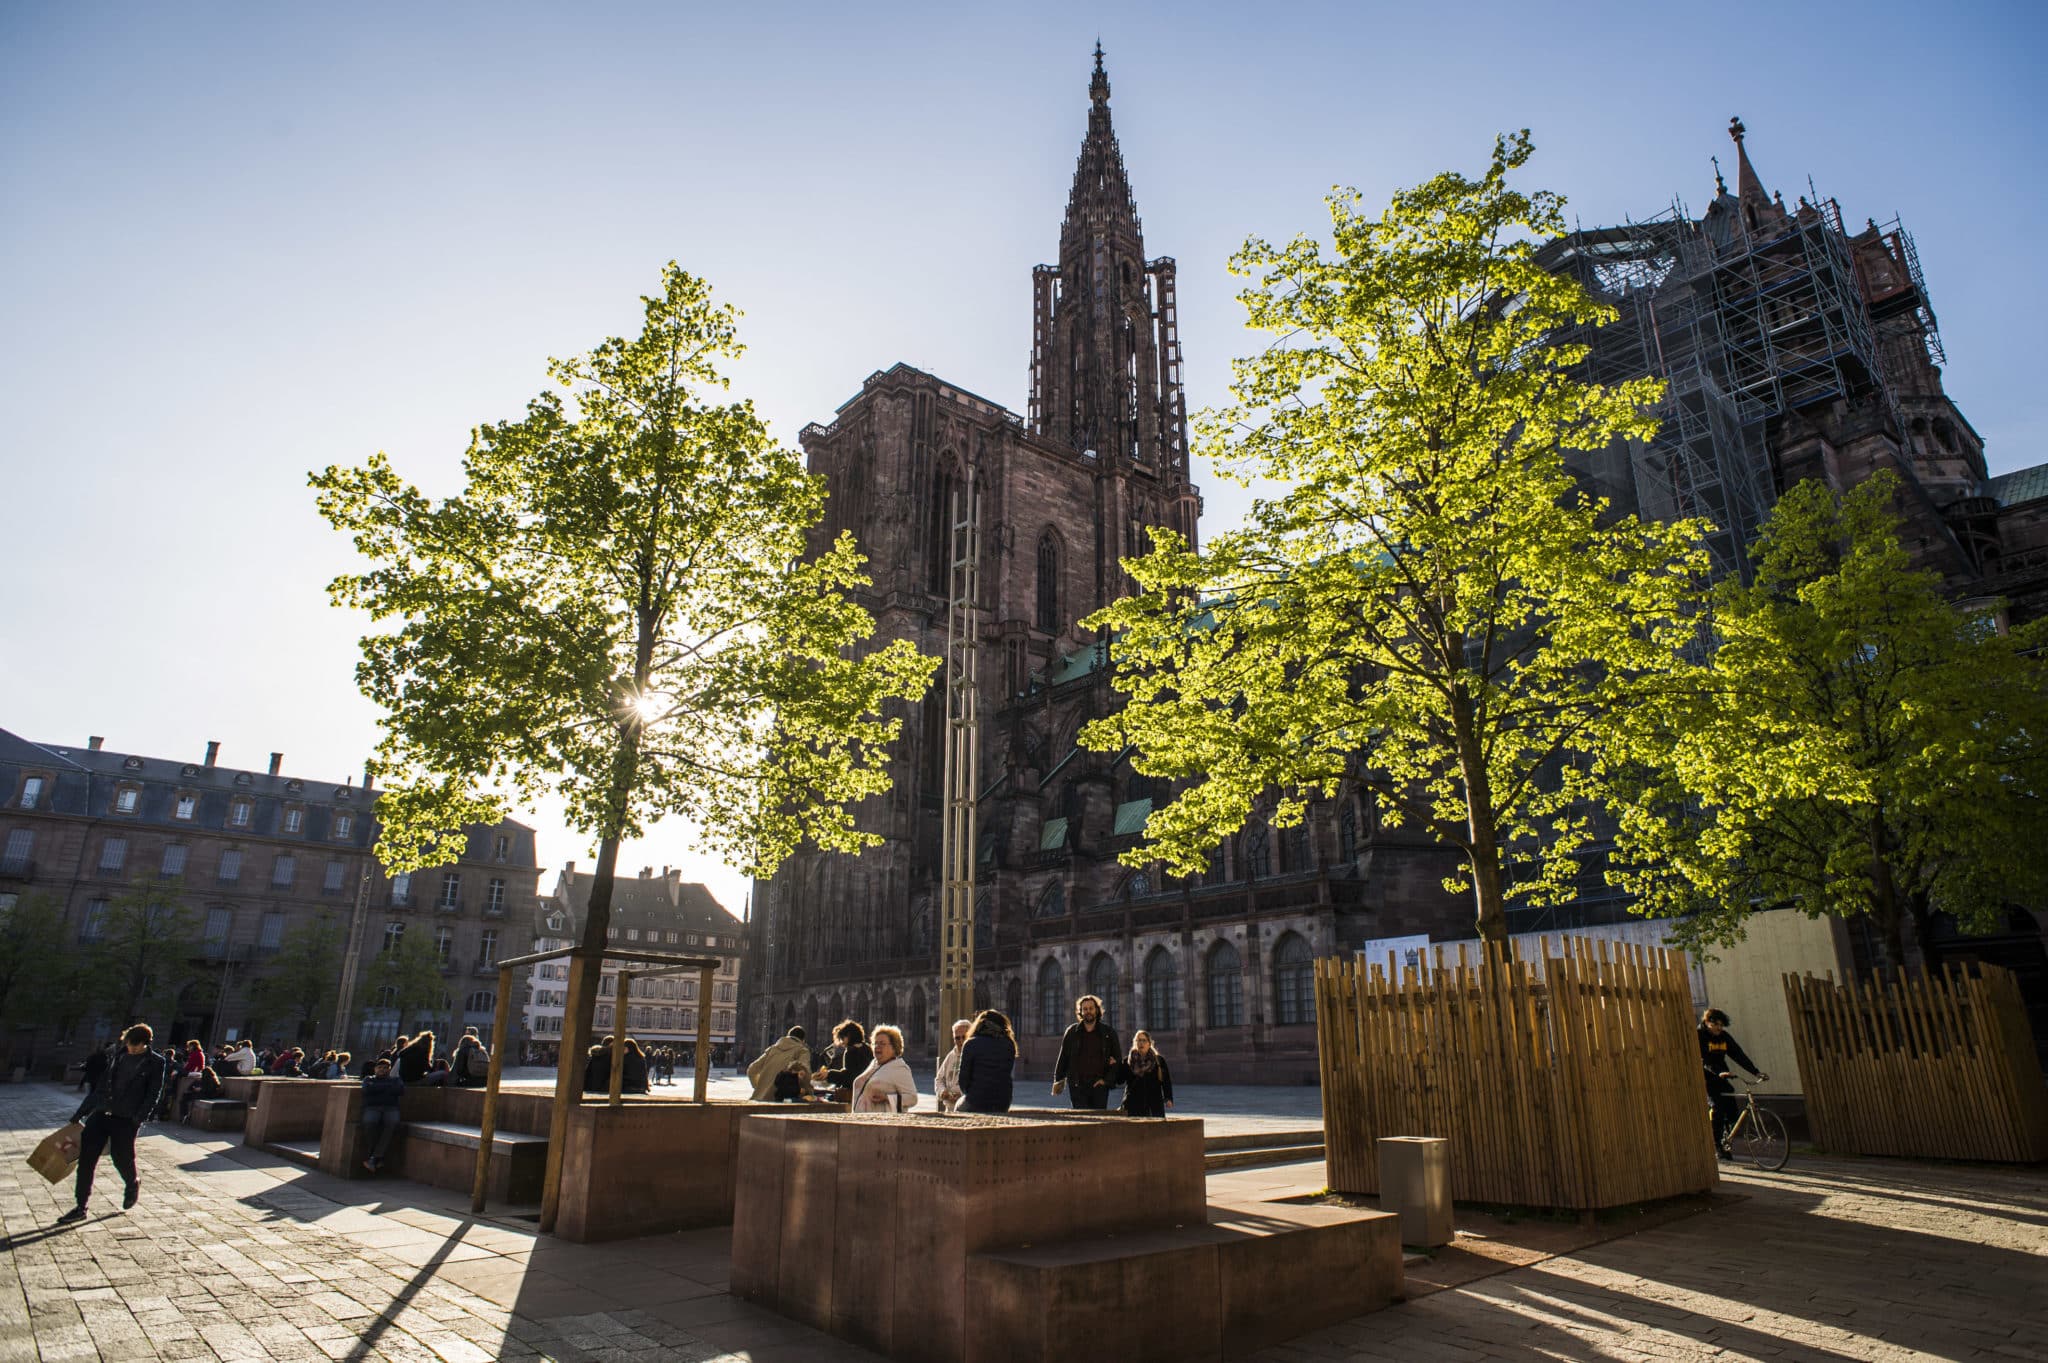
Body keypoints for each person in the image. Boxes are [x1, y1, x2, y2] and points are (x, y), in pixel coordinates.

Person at [57, 1023, 169, 1224]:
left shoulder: (155, 1062)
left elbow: (154, 1093)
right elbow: (101, 1087)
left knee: (121, 1159)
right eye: (129, 1045)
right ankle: (81, 1206)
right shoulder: (119, 1055)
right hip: (101, 1113)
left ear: (146, 1043)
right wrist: (81, 1113)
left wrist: (139, 1118)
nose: (131, 1049)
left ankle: (132, 1183)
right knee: (86, 1161)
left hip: (126, 1119)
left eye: (135, 1046)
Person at [1699, 1008, 1767, 1157]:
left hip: (1723, 1075)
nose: (1719, 1028)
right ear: (1707, 1022)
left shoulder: (1724, 1037)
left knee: (1731, 1112)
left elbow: (1738, 1054)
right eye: (1716, 1025)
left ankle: (1725, 1141)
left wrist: (1756, 1072)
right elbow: (1704, 1060)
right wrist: (1717, 1072)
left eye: (1721, 1025)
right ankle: (1717, 1146)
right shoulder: (1700, 1036)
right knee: (1717, 1107)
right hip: (1706, 1077)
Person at [1052, 994, 1121, 1110]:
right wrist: (1058, 1080)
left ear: (1097, 1010)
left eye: (1091, 1008)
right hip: (1077, 1086)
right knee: (1081, 1121)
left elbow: (1117, 1059)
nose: (1088, 1011)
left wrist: (1106, 1081)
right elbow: (1063, 1057)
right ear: (1081, 1012)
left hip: (1099, 1086)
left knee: (1098, 1122)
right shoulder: (1072, 1032)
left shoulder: (1108, 1033)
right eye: (1085, 1009)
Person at [850, 1025, 920, 1114]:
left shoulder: (899, 1068)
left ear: (894, 1047)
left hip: (881, 1123)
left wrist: (887, 1097)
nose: (877, 1046)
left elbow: (912, 1098)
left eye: (882, 1043)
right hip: (860, 1121)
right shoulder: (874, 1064)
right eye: (875, 1043)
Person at [958, 1010, 1016, 1114]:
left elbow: (963, 1081)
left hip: (976, 1101)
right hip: (1003, 1102)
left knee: (958, 1106)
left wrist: (974, 1094)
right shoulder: (1009, 1044)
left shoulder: (970, 1044)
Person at [360, 1057, 406, 1173]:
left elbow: (400, 1090)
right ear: (375, 1069)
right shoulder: (368, 1079)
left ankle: (374, 1157)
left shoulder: (395, 1080)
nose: (382, 1070)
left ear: (389, 1070)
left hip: (391, 1108)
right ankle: (377, 1157)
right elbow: (367, 1090)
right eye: (380, 1068)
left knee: (393, 1124)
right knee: (369, 1123)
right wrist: (387, 1088)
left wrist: (377, 1088)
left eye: (385, 1068)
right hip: (373, 1108)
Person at [1120, 1030, 1174, 1118]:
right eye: (1138, 1040)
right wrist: (1116, 1065)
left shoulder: (1159, 1061)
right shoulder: (1128, 1061)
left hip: (1154, 1104)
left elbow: (1166, 1081)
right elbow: (1120, 1080)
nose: (1141, 1043)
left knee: (1155, 1130)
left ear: (1149, 1043)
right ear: (1135, 1043)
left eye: (1144, 1040)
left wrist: (1168, 1098)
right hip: (1133, 1104)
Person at [748, 1027, 810, 1101]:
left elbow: (751, 1070)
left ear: (788, 1036)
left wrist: (760, 1088)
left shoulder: (772, 1049)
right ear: (803, 1040)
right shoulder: (802, 1051)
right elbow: (804, 1072)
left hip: (759, 1099)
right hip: (780, 1100)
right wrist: (808, 1091)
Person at [818, 1021, 872, 1103]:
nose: (841, 1041)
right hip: (868, 1090)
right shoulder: (867, 1048)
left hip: (855, 1094)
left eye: (842, 1038)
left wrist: (829, 1074)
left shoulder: (851, 1051)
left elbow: (849, 1077)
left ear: (849, 1036)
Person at [935, 1018, 971, 1113]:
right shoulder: (951, 1056)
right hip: (950, 1109)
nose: (961, 1041)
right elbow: (939, 1079)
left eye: (964, 1037)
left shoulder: (975, 1056)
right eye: (957, 1038)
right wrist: (943, 1092)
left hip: (967, 1109)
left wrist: (963, 1096)